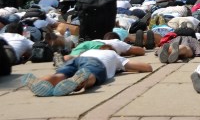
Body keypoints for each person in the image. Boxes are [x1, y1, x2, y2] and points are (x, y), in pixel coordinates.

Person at [21, 45, 152, 97]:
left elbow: (68, 57)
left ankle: (39, 82)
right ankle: (79, 80)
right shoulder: (113, 54)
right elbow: (145, 67)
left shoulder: (89, 50)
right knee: (91, 75)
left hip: (79, 59)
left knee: (59, 75)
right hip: (95, 63)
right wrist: (122, 66)